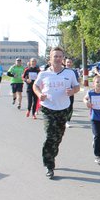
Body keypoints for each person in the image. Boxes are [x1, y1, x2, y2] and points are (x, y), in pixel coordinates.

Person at [33, 47, 80, 179]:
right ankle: (49, 165)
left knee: (58, 137)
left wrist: (72, 91)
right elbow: (35, 86)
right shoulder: (43, 74)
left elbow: (77, 87)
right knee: (50, 135)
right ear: (50, 59)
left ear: (63, 59)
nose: (58, 59)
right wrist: (39, 94)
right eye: (55, 56)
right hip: (48, 108)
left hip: (64, 108)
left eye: (60, 56)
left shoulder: (70, 73)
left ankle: (52, 154)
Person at [64, 57, 80, 128]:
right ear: (65, 63)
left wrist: (76, 88)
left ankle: (67, 120)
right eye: (67, 62)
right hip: (63, 92)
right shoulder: (62, 70)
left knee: (70, 106)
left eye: (70, 62)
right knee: (63, 106)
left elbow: (77, 80)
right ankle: (62, 119)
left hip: (71, 91)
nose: (69, 64)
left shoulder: (74, 71)